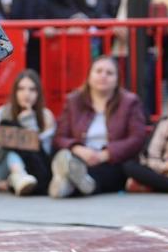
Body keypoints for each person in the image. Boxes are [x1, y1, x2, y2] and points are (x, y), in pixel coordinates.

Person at [51, 56, 147, 197]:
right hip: (79, 157)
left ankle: (70, 184)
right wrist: (78, 149)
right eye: (98, 71)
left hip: (111, 161)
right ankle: (75, 180)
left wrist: (105, 154)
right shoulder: (74, 101)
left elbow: (137, 138)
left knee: (114, 171)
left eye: (109, 73)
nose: (103, 76)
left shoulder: (130, 102)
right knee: (65, 158)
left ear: (117, 80)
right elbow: (59, 137)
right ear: (89, 76)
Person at [0, 70, 56, 196]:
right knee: (12, 151)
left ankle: (13, 181)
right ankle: (18, 178)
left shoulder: (46, 116)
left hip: (35, 168)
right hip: (5, 165)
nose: (26, 94)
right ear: (15, 92)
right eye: (21, 89)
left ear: (38, 93)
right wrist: (10, 138)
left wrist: (29, 123)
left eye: (32, 89)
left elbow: (43, 153)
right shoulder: (3, 112)